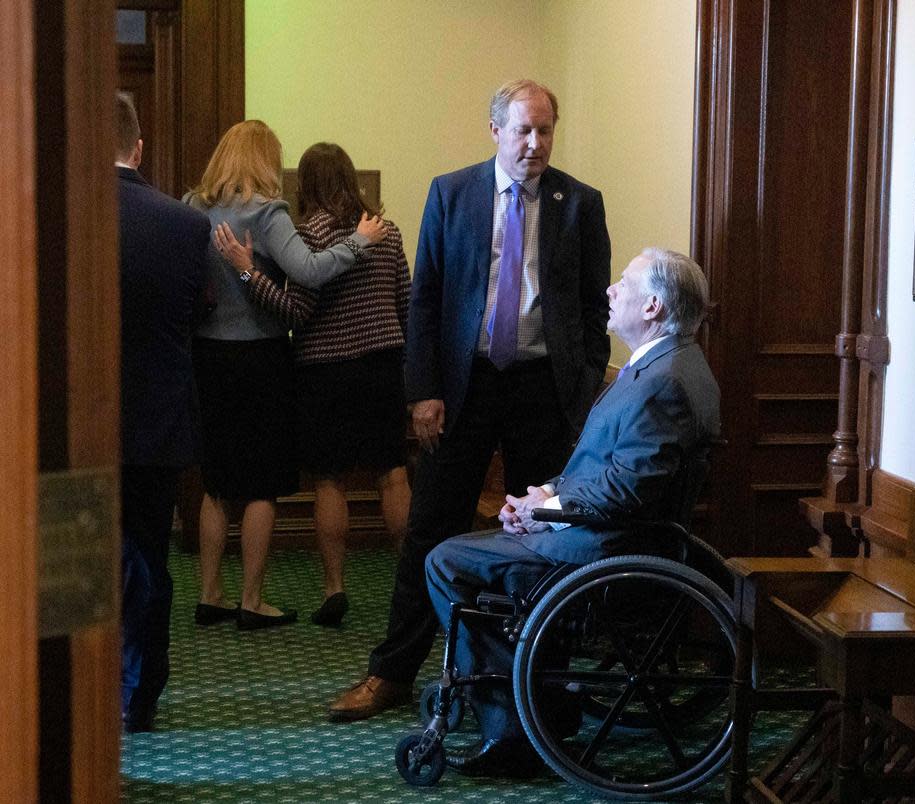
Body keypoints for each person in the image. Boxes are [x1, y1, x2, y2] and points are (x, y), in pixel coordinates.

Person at [328, 78, 611, 720]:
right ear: (495, 132)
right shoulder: (451, 193)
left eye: (545, 131)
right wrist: (423, 391)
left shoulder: (579, 203)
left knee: (546, 534)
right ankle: (392, 674)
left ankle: (541, 677)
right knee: (431, 527)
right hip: (465, 387)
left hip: (544, 390)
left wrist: (586, 381)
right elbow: (425, 298)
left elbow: (593, 307)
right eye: (523, 131)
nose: (535, 144)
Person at [425, 247, 720, 776]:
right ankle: (538, 696)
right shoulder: (666, 366)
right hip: (601, 533)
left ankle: (515, 727)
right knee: (466, 551)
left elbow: (628, 491)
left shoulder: (663, 382)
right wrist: (543, 497)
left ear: (652, 305)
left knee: (446, 561)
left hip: (604, 551)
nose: (610, 291)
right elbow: (606, 471)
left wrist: (547, 510)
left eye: (623, 284)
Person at [187, 120, 386, 630]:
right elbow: (311, 271)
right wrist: (359, 242)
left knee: (215, 482)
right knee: (258, 485)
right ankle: (252, 600)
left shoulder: (194, 208)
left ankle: (210, 594)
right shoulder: (267, 213)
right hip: (260, 358)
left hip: (207, 356)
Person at [115, 92, 211, 731]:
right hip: (158, 413)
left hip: (71, 423)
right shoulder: (186, 223)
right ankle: (140, 692)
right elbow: (199, 312)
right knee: (149, 553)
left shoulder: (55, 213)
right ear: (139, 146)